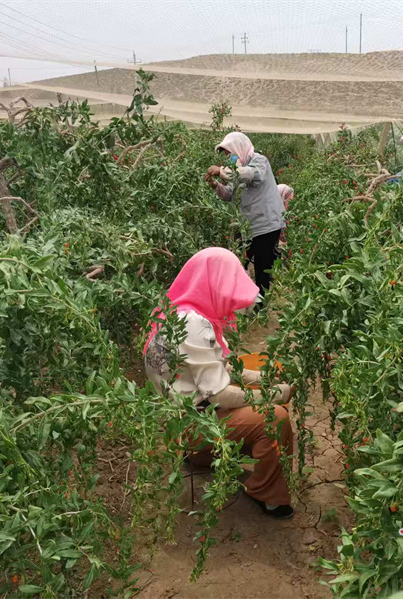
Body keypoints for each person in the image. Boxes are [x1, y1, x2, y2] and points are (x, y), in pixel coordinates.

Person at [143, 247, 295, 519]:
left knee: (256, 371)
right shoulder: (194, 323)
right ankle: (266, 493)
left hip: (180, 417)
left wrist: (263, 378)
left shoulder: (177, 311)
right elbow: (219, 395)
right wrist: (274, 394)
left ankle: (202, 455)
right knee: (276, 418)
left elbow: (215, 365)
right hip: (194, 423)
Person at [204, 132, 285, 299]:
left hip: (266, 225)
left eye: (229, 154)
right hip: (246, 227)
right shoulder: (236, 169)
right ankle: (242, 299)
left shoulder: (258, 161)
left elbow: (251, 175)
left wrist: (221, 171)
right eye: (227, 156)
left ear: (238, 148)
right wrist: (215, 184)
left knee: (262, 268)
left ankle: (260, 307)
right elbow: (228, 194)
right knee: (239, 262)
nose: (229, 158)